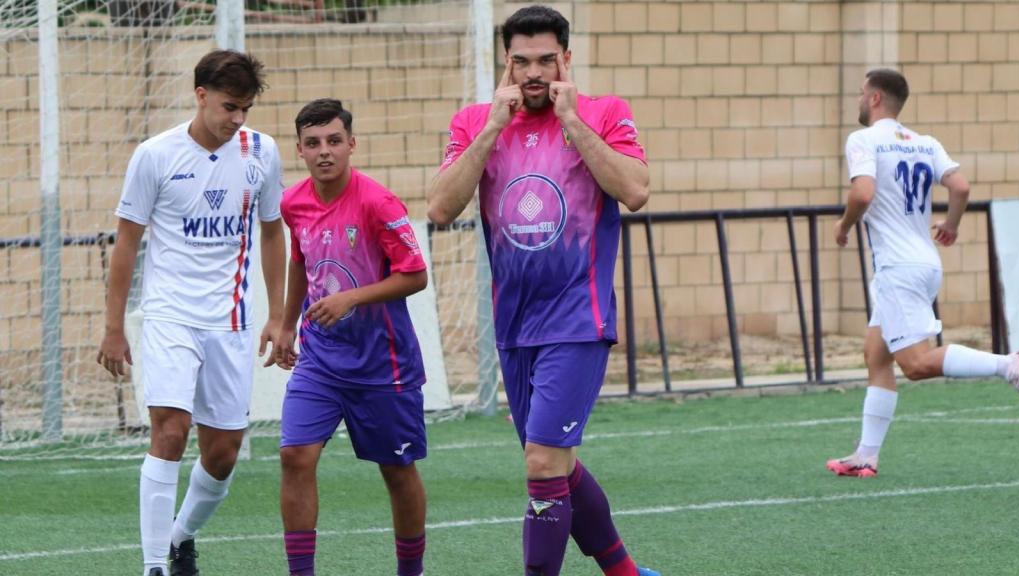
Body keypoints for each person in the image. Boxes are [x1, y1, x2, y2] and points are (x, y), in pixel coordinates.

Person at [427, 6, 659, 576]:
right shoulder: (475, 121)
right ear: (505, 63)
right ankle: (625, 572)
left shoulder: (604, 113)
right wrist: (490, 131)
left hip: (579, 316)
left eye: (546, 61)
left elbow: (634, 190)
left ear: (567, 60)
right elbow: (438, 207)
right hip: (513, 322)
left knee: (541, 463)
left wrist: (575, 123)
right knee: (557, 464)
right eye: (522, 61)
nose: (534, 73)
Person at [96, 50, 286, 576]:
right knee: (171, 431)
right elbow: (127, 244)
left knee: (223, 451)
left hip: (230, 319)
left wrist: (276, 315)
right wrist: (114, 326)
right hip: (170, 316)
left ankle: (181, 538)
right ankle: (154, 565)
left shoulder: (261, 153)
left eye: (245, 108)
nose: (238, 119)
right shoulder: (155, 155)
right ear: (200, 95)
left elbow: (272, 232)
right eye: (229, 106)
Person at [828, 68, 1019, 478]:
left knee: (915, 365)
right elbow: (961, 187)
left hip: (897, 268)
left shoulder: (863, 140)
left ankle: (1009, 364)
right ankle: (866, 454)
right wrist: (951, 225)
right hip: (923, 262)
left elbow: (862, 192)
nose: (859, 100)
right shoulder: (925, 143)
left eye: (863, 93)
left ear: (876, 98)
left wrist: (844, 226)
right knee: (875, 354)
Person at [273, 99, 429, 576]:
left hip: (383, 364)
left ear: (351, 145)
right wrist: (284, 323)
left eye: (334, 142)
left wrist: (352, 298)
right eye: (313, 143)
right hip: (321, 359)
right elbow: (300, 260)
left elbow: (416, 275)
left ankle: (411, 572)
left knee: (397, 471)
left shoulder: (378, 203)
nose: (325, 152)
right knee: (295, 456)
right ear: (299, 150)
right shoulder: (292, 202)